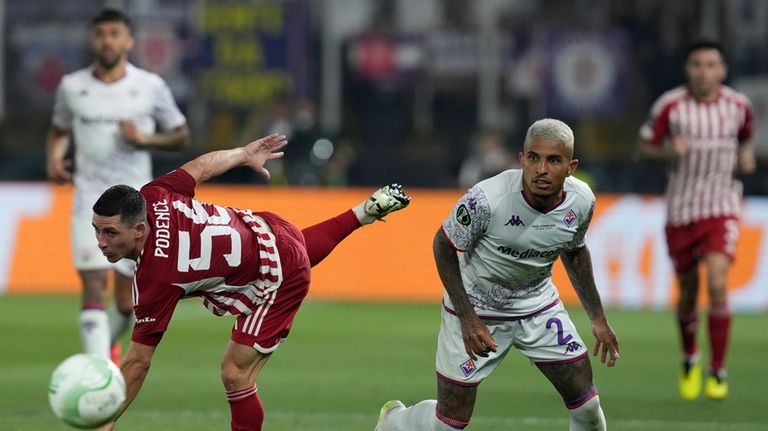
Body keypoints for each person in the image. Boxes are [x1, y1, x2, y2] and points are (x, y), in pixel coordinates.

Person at [90, 133, 410, 431]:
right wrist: (243, 154)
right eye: (97, 230)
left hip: (277, 275)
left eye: (110, 232)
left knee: (235, 373)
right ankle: (363, 213)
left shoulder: (155, 278)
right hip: (266, 228)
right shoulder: (154, 194)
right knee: (293, 249)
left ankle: (359, 216)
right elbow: (200, 167)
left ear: (139, 230)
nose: (101, 242)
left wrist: (105, 419)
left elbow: (137, 363)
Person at [375, 118, 619, 431]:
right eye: (534, 158)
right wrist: (467, 318)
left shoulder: (582, 200)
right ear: (522, 160)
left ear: (571, 166)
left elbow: (574, 250)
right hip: (477, 308)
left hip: (537, 306)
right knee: (450, 424)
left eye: (553, 160)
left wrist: (597, 318)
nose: (541, 169)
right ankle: (395, 420)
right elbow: (443, 246)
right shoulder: (486, 200)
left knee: (587, 406)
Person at [46, 8, 189, 363]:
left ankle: (105, 348)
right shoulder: (72, 87)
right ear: (92, 40)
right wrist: (55, 157)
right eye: (100, 34)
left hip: (133, 208)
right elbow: (60, 129)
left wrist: (144, 138)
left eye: (114, 33)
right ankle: (98, 370)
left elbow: (181, 135)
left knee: (126, 302)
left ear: (128, 41)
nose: (107, 40)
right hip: (87, 205)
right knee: (93, 285)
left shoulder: (149, 86)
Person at [638, 39, 755, 401]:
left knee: (718, 283)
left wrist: (747, 157)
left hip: (722, 205)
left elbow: (747, 139)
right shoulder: (670, 106)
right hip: (681, 210)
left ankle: (717, 371)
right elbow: (644, 148)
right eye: (697, 65)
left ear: (722, 70)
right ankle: (690, 356)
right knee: (688, 291)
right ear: (688, 70)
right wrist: (668, 151)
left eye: (710, 65)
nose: (703, 72)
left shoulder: (739, 106)